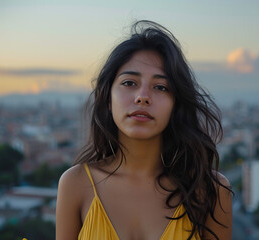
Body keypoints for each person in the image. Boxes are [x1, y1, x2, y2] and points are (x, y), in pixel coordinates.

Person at [56, 20, 232, 240]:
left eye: (160, 87)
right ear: (108, 98)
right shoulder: (76, 183)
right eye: (129, 83)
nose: (143, 96)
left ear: (176, 104)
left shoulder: (211, 191)